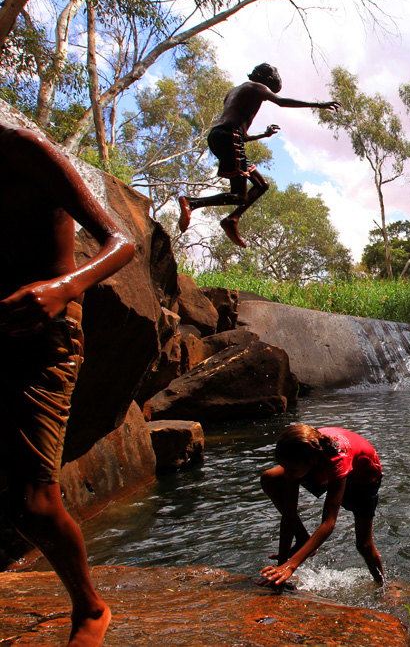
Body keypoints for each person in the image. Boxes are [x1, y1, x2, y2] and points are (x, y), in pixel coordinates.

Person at [0, 120, 137, 646]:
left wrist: (64, 287)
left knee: (32, 504)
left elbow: (120, 240)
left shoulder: (22, 148)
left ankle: (91, 609)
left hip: (46, 330)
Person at [177, 63, 341, 248]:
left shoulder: (233, 92)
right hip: (230, 136)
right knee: (240, 196)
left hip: (219, 136)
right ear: (266, 78)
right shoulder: (257, 87)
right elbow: (281, 102)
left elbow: (244, 136)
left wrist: (264, 134)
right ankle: (191, 203)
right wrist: (319, 105)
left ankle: (232, 220)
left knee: (262, 185)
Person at [259, 424, 385, 587]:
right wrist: (281, 569)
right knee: (270, 478)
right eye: (284, 466)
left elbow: (328, 523)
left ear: (310, 461)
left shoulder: (337, 458)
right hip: (321, 467)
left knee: (364, 545)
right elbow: (289, 515)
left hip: (362, 480)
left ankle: (383, 585)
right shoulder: (304, 455)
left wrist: (291, 565)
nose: (287, 473)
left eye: (291, 469)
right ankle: (303, 539)